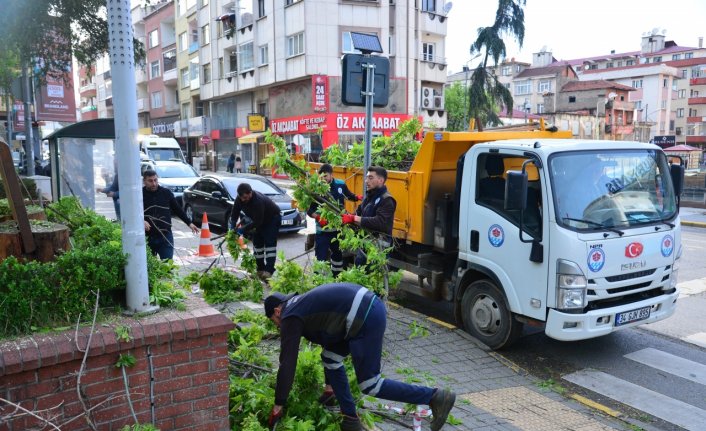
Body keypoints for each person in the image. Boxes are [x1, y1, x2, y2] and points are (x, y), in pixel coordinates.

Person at [264, 283, 456, 431]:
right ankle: (350, 419)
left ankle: (434, 396)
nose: (278, 327)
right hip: (363, 310)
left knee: (370, 384)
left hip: (365, 316)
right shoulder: (300, 306)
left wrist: (278, 404)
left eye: (274, 323)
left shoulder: (290, 316)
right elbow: (328, 336)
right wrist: (329, 389)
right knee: (330, 358)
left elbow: (287, 363)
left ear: (277, 311)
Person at [307, 164, 361, 276]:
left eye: (325, 176)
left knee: (338, 256)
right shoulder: (315, 189)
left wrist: (357, 197)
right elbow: (309, 209)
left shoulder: (340, 185)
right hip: (322, 232)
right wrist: (317, 217)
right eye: (321, 177)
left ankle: (337, 277)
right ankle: (318, 280)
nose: (323, 179)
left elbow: (348, 195)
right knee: (320, 258)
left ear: (332, 175)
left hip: (337, 230)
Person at [340, 166, 396, 266]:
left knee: (372, 277)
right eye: (366, 178)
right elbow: (359, 212)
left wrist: (354, 218)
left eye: (370, 178)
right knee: (359, 273)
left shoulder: (387, 200)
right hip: (365, 245)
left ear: (380, 180)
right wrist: (348, 217)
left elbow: (380, 222)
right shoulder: (369, 197)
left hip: (378, 249)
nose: (366, 181)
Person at [142, 169, 199, 260]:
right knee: (150, 269)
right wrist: (141, 220)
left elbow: (177, 209)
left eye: (155, 180)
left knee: (168, 266)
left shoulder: (166, 193)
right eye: (150, 181)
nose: (154, 183)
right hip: (147, 237)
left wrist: (189, 223)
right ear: (144, 181)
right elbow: (132, 213)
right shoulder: (139, 194)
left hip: (165, 236)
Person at [229, 182, 281, 279]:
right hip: (258, 220)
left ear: (251, 192)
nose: (247, 199)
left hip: (272, 219)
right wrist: (232, 227)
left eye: (249, 196)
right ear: (240, 196)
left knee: (269, 245)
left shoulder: (258, 201)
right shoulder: (239, 200)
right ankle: (260, 270)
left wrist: (242, 230)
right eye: (244, 198)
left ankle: (269, 271)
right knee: (257, 245)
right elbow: (234, 213)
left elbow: (258, 221)